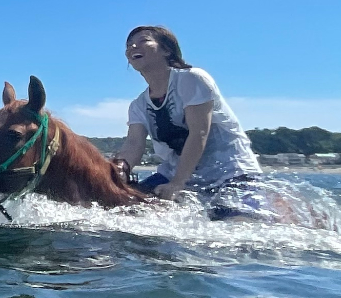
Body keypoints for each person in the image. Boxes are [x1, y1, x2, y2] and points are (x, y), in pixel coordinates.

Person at [113, 25, 264, 218]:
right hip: (174, 173)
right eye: (129, 45)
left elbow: (199, 132)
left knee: (238, 224)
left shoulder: (192, 78)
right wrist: (119, 169)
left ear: (167, 50)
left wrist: (177, 183)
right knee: (123, 210)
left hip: (230, 172)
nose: (133, 46)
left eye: (143, 41)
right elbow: (134, 144)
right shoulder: (138, 105)